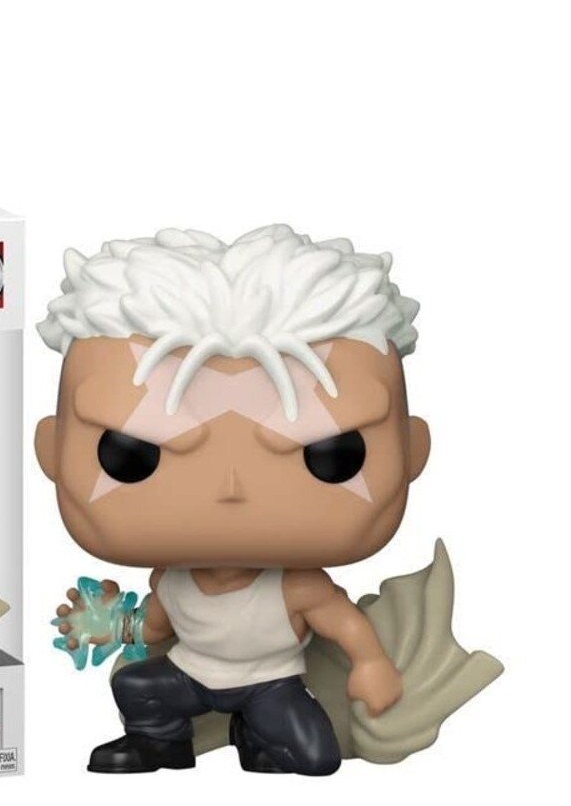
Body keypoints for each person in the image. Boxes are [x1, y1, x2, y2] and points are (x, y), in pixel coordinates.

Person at [36, 224, 430, 776]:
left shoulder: (297, 587)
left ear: (413, 452)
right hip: (188, 677)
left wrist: (372, 665)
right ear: (50, 450)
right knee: (136, 685)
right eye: (131, 455)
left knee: (315, 758)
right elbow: (154, 628)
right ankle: (161, 743)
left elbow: (346, 627)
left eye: (333, 455)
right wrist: (110, 627)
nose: (230, 489)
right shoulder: (170, 581)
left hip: (271, 685)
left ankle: (257, 733)